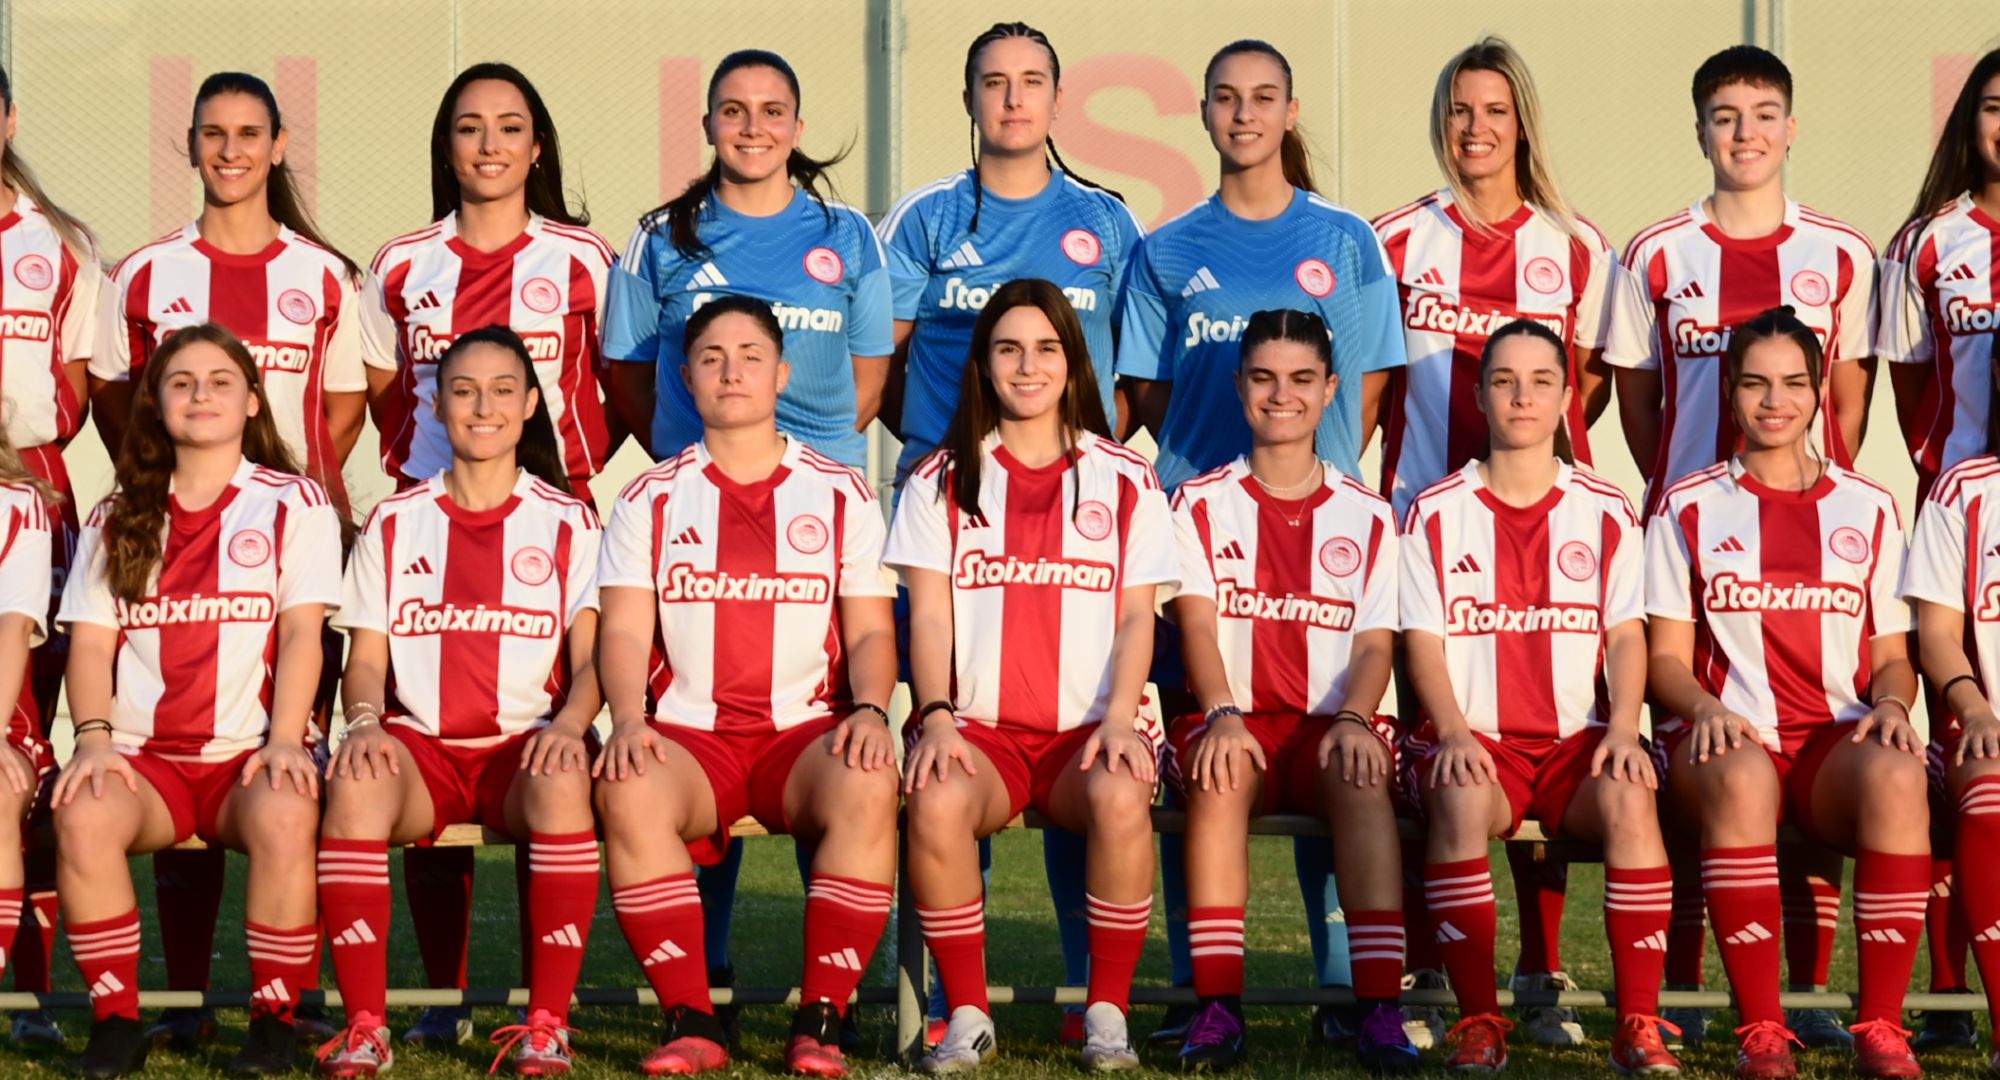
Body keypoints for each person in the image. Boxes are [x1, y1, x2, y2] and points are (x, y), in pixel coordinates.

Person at [1116, 37, 1403, 1042]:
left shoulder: (1346, 240)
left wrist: (1308, 467)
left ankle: (1346, 992)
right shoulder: (1164, 250)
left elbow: (1368, 384)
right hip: (1204, 531)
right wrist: (1215, 469)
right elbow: (1149, 389)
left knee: (1340, 756)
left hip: (1318, 526)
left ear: (1289, 112)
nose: (1244, 114)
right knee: (1203, 765)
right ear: (1202, 113)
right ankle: (1197, 991)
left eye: (1263, 97)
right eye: (1226, 98)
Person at [1606, 47, 1877, 1046]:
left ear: (1791, 128)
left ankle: (1805, 1002)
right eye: (1725, 115)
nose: (1745, 133)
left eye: (1763, 114)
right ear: (1699, 131)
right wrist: (1683, 481)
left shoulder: (1843, 254)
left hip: (1804, 542)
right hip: (1693, 546)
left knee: (1815, 733)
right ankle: (1678, 994)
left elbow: (1848, 399)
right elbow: (1639, 400)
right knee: (1707, 762)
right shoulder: (1654, 253)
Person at [878, 20, 1142, 1044]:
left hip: (1071, 503)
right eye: (995, 81)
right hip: (962, 503)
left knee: (1095, 746)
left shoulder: (1106, 222)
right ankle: (961, 1003)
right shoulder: (927, 217)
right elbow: (883, 362)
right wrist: (951, 442)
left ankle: (1096, 998)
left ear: (1057, 99)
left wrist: (1081, 445)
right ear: (969, 99)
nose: (1014, 98)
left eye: (1032, 81)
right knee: (951, 745)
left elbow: (1134, 364)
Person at [91, 73, 363, 1049]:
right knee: (174, 735)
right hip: (175, 531)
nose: (232, 150)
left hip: (290, 547)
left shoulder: (325, 276)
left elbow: (342, 407)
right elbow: (117, 399)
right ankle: (192, 1000)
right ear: (193, 144)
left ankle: (294, 996)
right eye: (215, 133)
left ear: (279, 145)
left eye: (251, 133)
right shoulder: (144, 274)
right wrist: (177, 483)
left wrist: (276, 481)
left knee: (286, 765)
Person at [358, 62, 616, 1046]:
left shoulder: (585, 258)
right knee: (428, 735)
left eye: (510, 126)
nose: (490, 144)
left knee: (543, 751)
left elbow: (616, 385)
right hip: (430, 530)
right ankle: (444, 1002)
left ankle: (548, 1010)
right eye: (469, 127)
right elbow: (382, 398)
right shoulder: (400, 265)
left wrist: (564, 484)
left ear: (538, 146)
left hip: (549, 528)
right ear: (446, 146)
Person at [1370, 36, 1621, 1047]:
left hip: (1545, 526)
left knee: (1547, 725)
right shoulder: (1394, 238)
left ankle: (1538, 969)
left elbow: (1589, 384)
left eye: (1494, 111)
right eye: (1459, 110)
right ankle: (1431, 968)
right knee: (1439, 751)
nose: (1475, 129)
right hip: (1423, 525)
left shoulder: (1575, 246)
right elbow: (1374, 387)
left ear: (1522, 124)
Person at [592, 295, 899, 1078]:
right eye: (712, 358)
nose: (732, 372)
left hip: (803, 737)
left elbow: (870, 632)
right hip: (690, 739)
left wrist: (871, 709)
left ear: (782, 374)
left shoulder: (841, 492)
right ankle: (691, 1018)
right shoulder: (649, 497)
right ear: (686, 378)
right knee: (628, 784)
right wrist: (626, 719)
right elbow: (622, 631)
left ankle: (822, 1019)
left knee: (869, 777)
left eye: (750, 357)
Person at [889, 278, 1174, 1073]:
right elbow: (930, 618)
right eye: (1009, 349)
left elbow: (1136, 618)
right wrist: (935, 715)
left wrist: (1120, 719)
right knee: (935, 795)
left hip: (1088, 729)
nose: (1027, 366)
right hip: (981, 731)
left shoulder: (1126, 477)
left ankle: (1106, 1012)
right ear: (983, 364)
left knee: (1122, 792)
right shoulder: (941, 477)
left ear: (1073, 362)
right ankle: (967, 1013)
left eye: (1046, 348)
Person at [1646, 306, 1927, 1080]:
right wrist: (1705, 708)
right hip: (1724, 738)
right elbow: (1665, 660)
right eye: (1756, 384)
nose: (1776, 401)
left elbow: (1892, 659)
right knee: (1742, 774)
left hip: (1830, 742)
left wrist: (1894, 704)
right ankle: (1763, 1032)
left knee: (1900, 773)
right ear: (1729, 391)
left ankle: (1883, 1028)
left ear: (1819, 389)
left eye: (1795, 383)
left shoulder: (1870, 506)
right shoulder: (1688, 505)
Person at [315, 326, 603, 1078]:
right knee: (357, 778)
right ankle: (366, 1027)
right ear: (437, 406)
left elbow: (591, 663)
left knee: (563, 777)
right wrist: (364, 724)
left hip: (526, 746)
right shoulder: (394, 520)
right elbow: (365, 660)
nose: (483, 407)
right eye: (464, 391)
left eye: (503, 390)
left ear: (531, 404)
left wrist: (573, 725)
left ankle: (547, 1025)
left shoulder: (569, 520)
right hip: (425, 752)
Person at [55, 323, 340, 1077]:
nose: (200, 395)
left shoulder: (293, 502)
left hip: (247, 756)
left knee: (286, 809)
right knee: (82, 813)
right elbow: (92, 645)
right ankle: (116, 1022)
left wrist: (287, 740)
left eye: (220, 381)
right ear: (155, 403)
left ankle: (274, 1022)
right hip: (146, 760)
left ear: (252, 401)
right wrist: (92, 739)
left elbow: (302, 634)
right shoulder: (118, 514)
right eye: (181, 383)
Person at [1399, 318, 1677, 1076]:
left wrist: (1625, 728)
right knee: (1460, 797)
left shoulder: (1607, 508)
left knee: (1631, 797)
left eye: (1541, 381)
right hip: (1479, 738)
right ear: (1480, 397)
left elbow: (1626, 634)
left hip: (1573, 743)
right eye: (1504, 381)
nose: (1522, 397)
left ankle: (1638, 1024)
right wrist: (1453, 732)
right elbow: (1423, 641)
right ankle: (1479, 1021)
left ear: (1564, 401)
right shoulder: (1435, 510)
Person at [1164, 308, 1416, 1071]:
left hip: (1325, 726)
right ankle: (1217, 1006)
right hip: (1234, 719)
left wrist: (1355, 718)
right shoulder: (1198, 503)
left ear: (1331, 389)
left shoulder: (1370, 516)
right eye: (1264, 378)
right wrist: (1221, 714)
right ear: (1239, 385)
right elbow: (1197, 626)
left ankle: (1379, 1009)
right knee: (1221, 773)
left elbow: (1375, 643)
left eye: (1302, 379)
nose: (1282, 395)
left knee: (1363, 774)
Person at [1878, 46, 2000, 1052]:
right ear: (1971, 120)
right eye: (1997, 106)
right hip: (1963, 517)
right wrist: (1952, 474)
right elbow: (1911, 390)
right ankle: (1951, 995)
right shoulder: (1926, 241)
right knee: (1959, 751)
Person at [604, 48, 891, 469]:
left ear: (797, 129)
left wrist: (804, 466)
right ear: (708, 126)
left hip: (820, 484)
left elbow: (871, 378)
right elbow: (629, 380)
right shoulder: (660, 236)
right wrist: (689, 462)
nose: (753, 128)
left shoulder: (850, 233)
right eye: (734, 111)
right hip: (699, 484)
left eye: (772, 112)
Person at [0, 59, 107, 1046]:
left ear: (8, 118)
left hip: (27, 489)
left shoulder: (61, 243)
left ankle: (28, 997)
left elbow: (73, 392)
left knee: (21, 738)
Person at [1903, 331, 2000, 1074]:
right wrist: (1976, 705)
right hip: (1984, 723)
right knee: (1988, 791)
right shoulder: (1963, 489)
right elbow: (1935, 635)